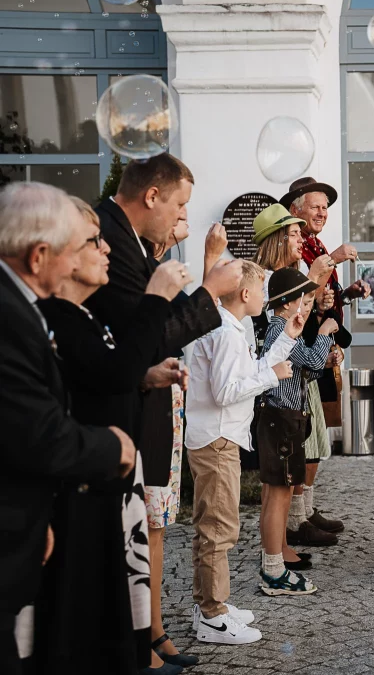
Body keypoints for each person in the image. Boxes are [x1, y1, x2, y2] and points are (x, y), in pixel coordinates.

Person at [85, 153, 243, 670]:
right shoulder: (113, 237)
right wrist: (209, 294)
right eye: (179, 204)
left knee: (147, 525)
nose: (182, 217)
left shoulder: (125, 238)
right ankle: (140, 644)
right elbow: (151, 331)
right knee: (131, 532)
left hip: (146, 397)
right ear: (152, 196)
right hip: (117, 414)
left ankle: (151, 638)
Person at [32, 197, 190, 675]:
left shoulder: (82, 316)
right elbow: (109, 372)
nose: (107, 250)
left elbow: (111, 371)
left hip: (109, 477)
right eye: (93, 241)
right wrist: (157, 296)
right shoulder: (56, 317)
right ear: (49, 254)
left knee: (119, 601)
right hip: (88, 481)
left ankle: (141, 649)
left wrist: (144, 377)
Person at [0, 182, 136, 675]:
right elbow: (37, 430)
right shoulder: (12, 315)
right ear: (40, 256)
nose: (97, 252)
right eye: (79, 244)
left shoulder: (21, 307)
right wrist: (112, 446)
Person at [186, 261, 303, 644]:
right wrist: (273, 376)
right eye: (264, 290)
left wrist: (285, 339)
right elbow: (225, 391)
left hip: (220, 437)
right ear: (246, 294)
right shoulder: (225, 331)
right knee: (218, 530)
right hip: (217, 440)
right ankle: (213, 615)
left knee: (213, 527)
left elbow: (247, 369)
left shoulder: (234, 326)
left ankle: (210, 603)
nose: (268, 298)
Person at [284, 177, 369, 539]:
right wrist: (332, 260)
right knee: (306, 439)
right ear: (295, 210)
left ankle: (306, 510)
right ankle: (295, 520)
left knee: (316, 440)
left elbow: (322, 301)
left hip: (320, 348)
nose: (322, 212)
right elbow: (301, 297)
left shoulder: (314, 244)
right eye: (315, 206)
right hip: (300, 354)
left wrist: (345, 294)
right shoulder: (293, 250)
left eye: (325, 207)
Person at [253, 203, 341, 550]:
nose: (300, 238)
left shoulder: (290, 275)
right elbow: (280, 334)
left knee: (292, 473)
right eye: (292, 233)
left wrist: (320, 307)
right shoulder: (262, 282)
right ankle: (280, 547)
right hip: (279, 398)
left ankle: (289, 535)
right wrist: (317, 291)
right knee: (279, 483)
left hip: (291, 386)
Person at [257, 268, 336, 596]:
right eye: (303, 301)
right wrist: (326, 330)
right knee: (280, 492)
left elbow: (302, 372)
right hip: (281, 417)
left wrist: (323, 359)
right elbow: (313, 360)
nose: (306, 307)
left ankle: (277, 556)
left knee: (283, 490)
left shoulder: (280, 330)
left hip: (285, 414)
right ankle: (273, 568)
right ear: (287, 304)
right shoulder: (280, 331)